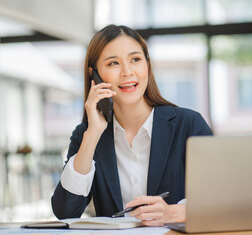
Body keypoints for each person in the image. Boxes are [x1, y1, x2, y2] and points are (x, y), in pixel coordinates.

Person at [51, 24, 213, 226]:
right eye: (113, 63)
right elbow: (65, 211)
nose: (127, 72)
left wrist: (175, 212)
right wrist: (93, 133)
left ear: (147, 65)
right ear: (95, 75)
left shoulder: (188, 125)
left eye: (135, 59)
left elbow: (222, 195)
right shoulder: (86, 135)